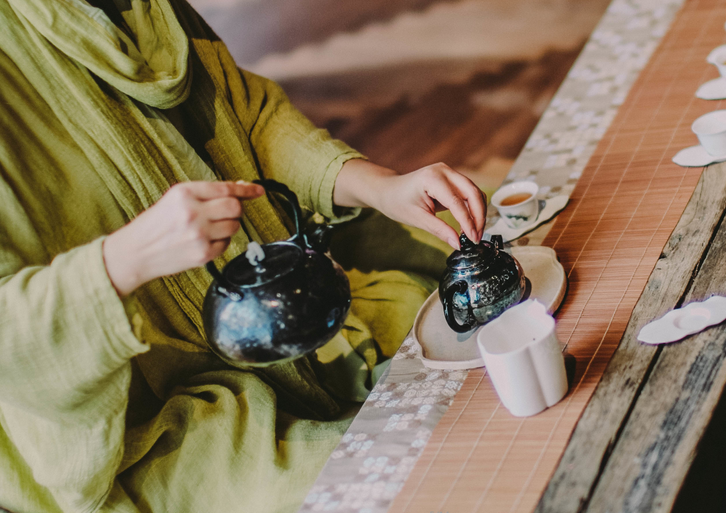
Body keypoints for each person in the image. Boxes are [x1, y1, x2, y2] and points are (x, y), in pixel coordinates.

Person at [0, 0, 486, 512]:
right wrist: (124, 260)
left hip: (261, 295)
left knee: (473, 259)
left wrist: (384, 186)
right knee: (388, 477)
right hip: (138, 419)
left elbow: (245, 116)